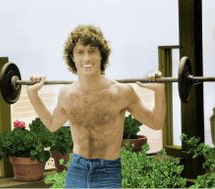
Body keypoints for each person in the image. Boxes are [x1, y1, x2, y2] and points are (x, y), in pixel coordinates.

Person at [27, 25, 166, 188]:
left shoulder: (121, 92)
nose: (86, 58)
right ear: (72, 57)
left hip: (107, 173)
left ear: (102, 55)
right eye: (80, 52)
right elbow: (52, 124)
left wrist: (160, 91)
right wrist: (33, 95)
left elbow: (156, 123)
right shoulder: (67, 94)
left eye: (92, 51)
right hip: (77, 170)